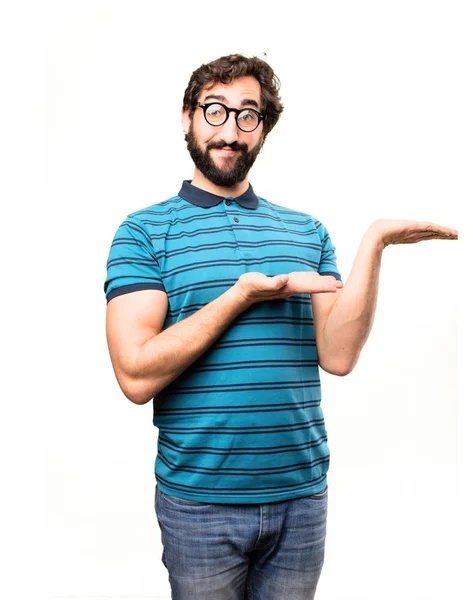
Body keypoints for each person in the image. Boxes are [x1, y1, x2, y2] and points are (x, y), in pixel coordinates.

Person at [104, 54, 458, 600]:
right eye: (215, 110)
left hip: (301, 497)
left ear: (264, 129)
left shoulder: (305, 231)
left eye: (249, 115)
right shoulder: (144, 232)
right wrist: (241, 295)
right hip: (200, 503)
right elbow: (135, 375)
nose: (230, 130)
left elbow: (337, 356)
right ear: (186, 117)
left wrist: (374, 243)